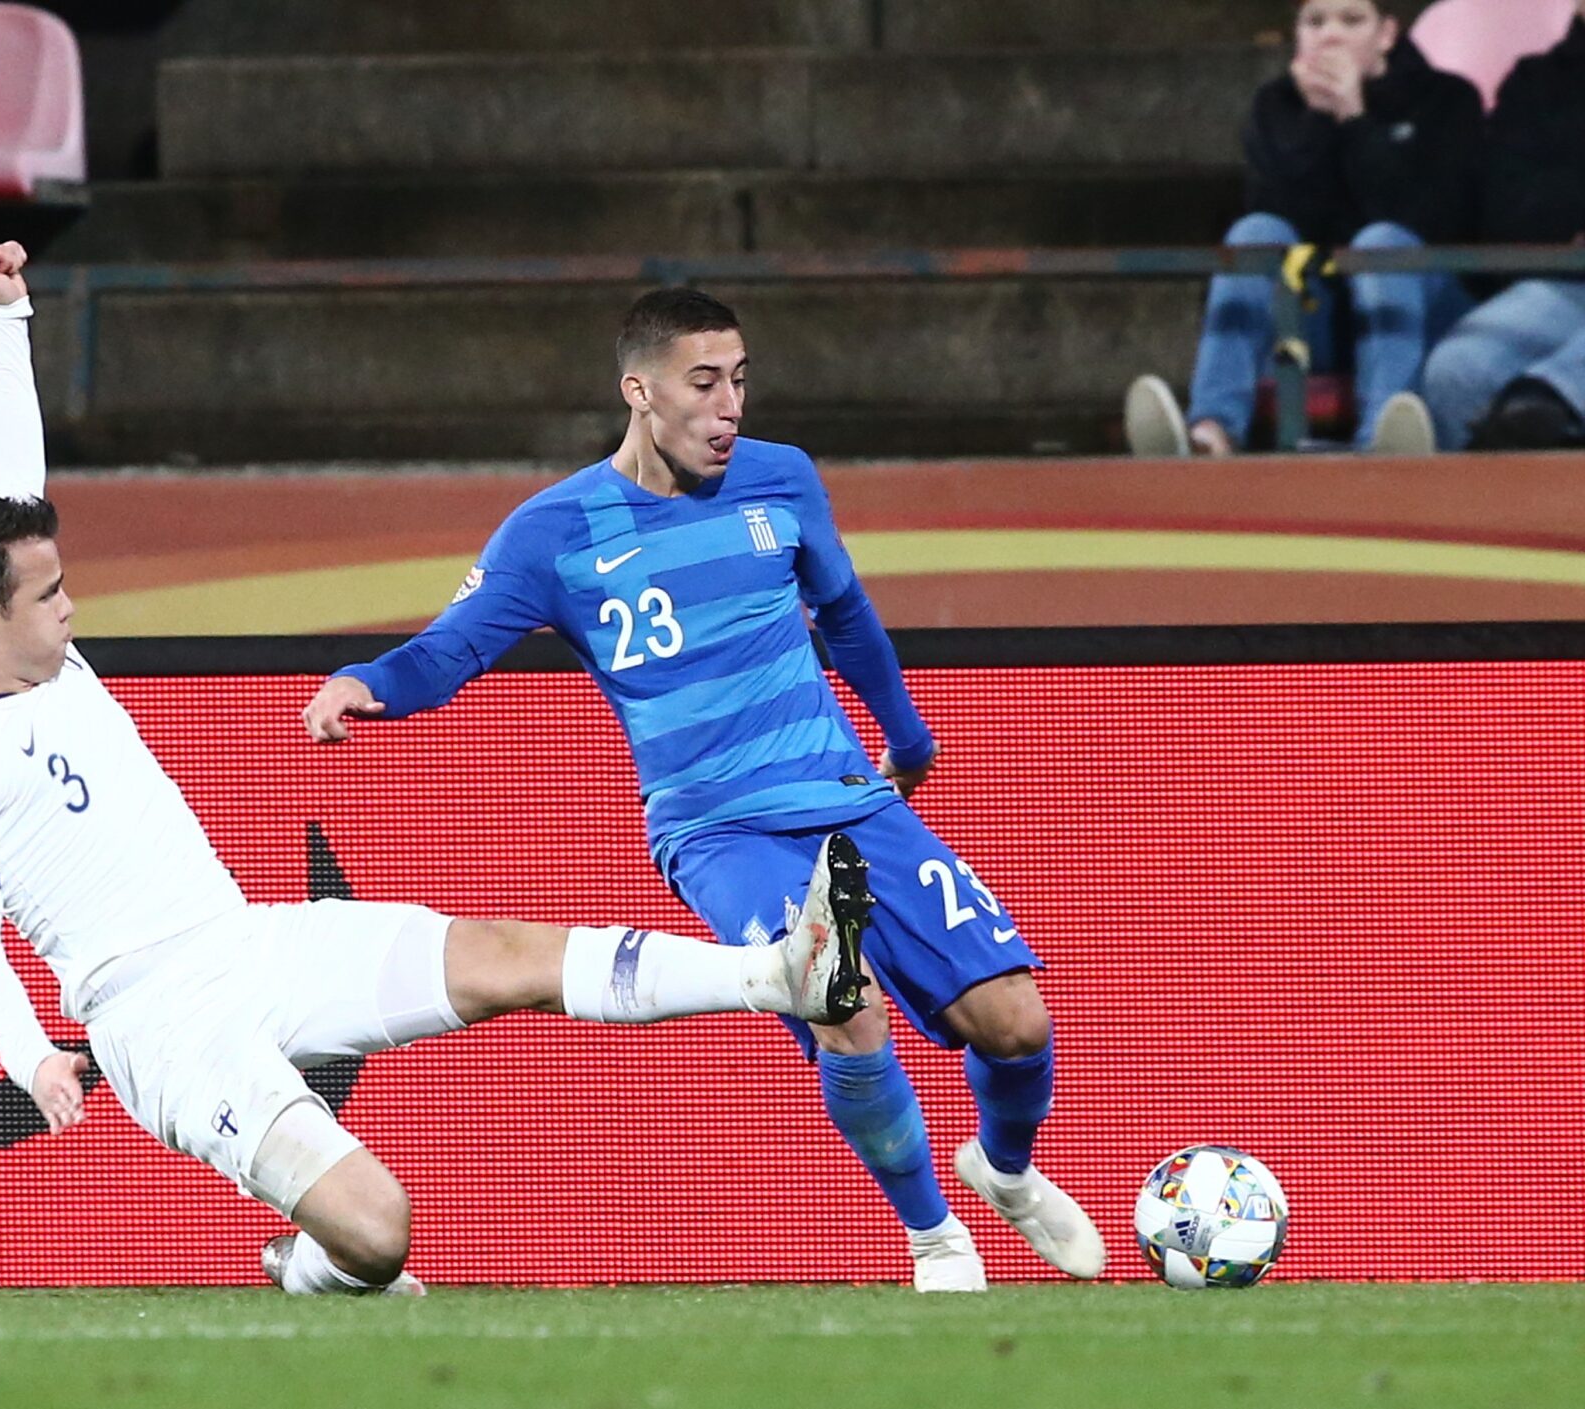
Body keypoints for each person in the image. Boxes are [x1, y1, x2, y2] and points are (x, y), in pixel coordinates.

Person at [0, 243, 871, 1299]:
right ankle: (304, 1265)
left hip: (247, 940)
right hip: (159, 1024)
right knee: (378, 1232)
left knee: (502, 955)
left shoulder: (10, 622)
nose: (72, 608)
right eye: (49, 598)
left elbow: (10, 486)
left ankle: (770, 974)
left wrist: (7, 320)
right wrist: (31, 1056)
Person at [304, 288, 1105, 1293]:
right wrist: (366, 680)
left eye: (739, 380)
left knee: (1018, 1022)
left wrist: (907, 737)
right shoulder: (554, 532)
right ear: (638, 392)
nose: (729, 407)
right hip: (721, 832)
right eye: (703, 383)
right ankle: (934, 1236)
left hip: (849, 797)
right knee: (841, 1003)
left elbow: (846, 615)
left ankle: (1004, 1167)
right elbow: (447, 651)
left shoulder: (782, 478)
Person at [1124, 0, 1483, 458]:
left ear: (1386, 34)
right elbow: (1282, 211)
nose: (1330, 35)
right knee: (1255, 232)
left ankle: (1384, 439)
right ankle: (1211, 430)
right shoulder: (1276, 105)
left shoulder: (1447, 99)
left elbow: (1429, 220)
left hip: (1419, 310)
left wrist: (1355, 118)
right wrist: (1317, 120)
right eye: (1315, 22)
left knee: (1380, 243)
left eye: (1351, 20)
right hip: (1315, 314)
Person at [1419, 1, 1585, 451]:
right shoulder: (1535, 83)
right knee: (1459, 369)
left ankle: (1547, 398)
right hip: (1566, 281)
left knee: (1540, 402)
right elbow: (1506, 209)